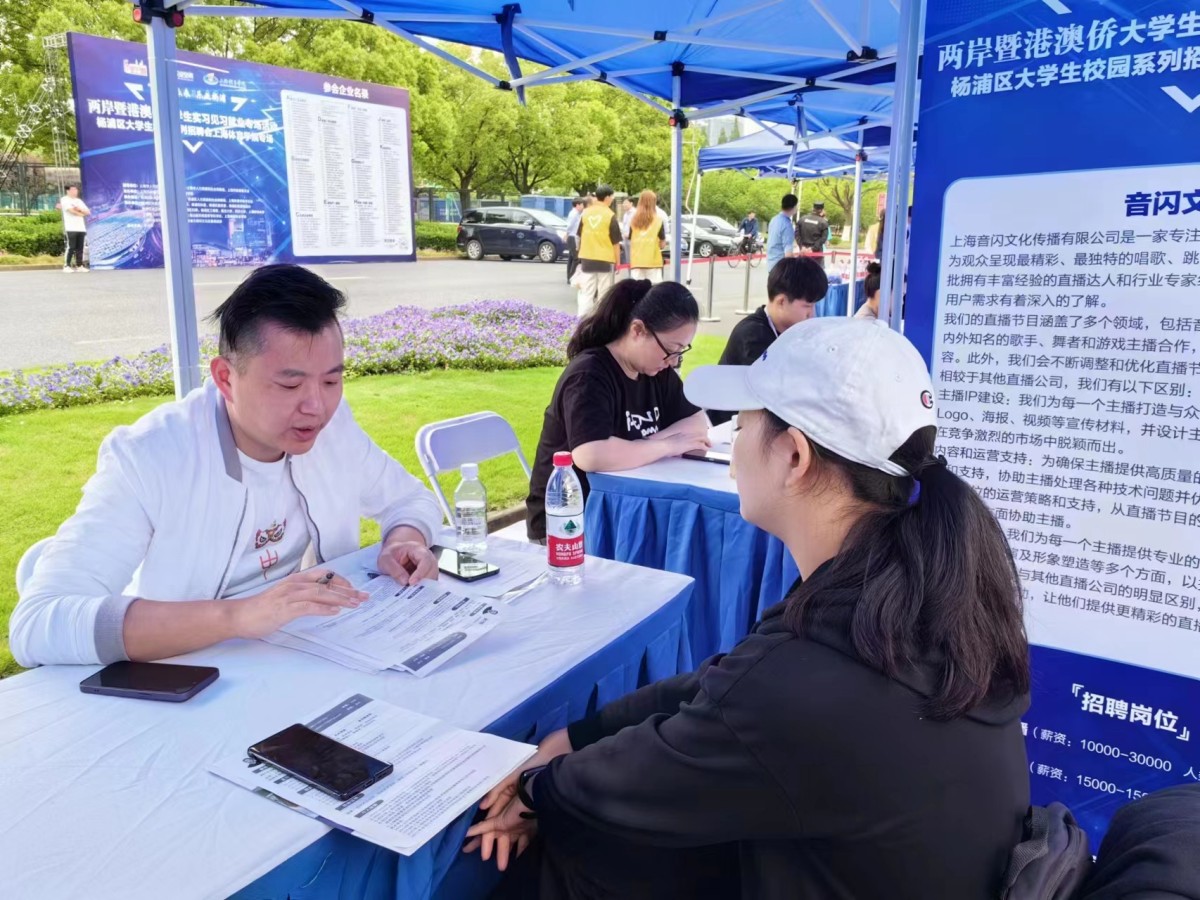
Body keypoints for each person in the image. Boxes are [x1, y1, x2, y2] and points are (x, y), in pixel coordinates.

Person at [470, 317, 1033, 900]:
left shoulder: (817, 676)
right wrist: (579, 733)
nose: (732, 445)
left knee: (575, 854)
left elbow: (650, 775)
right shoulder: (905, 598)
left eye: (741, 424)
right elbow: (722, 685)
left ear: (794, 457)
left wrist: (538, 790)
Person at [10, 265, 443, 667]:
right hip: (184, 677)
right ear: (224, 378)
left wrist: (401, 542)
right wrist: (240, 616)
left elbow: (409, 500)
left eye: (331, 380)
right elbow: (38, 622)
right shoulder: (151, 456)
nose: (317, 406)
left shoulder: (332, 429)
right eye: (290, 383)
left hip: (300, 661)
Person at [524, 280, 710, 542]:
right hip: (569, 523)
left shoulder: (656, 370)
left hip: (625, 508)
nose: (674, 360)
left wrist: (636, 447)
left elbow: (696, 423)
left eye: (681, 351)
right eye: (670, 349)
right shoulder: (590, 374)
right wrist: (667, 446)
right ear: (638, 330)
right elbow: (590, 455)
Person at [707, 256, 828, 426]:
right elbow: (774, 395)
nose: (812, 314)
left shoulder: (791, 331)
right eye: (807, 307)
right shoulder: (753, 335)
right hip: (730, 430)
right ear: (781, 302)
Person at [575, 186, 622, 317]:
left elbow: (579, 235)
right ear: (607, 197)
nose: (612, 199)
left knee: (587, 292)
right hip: (605, 260)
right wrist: (618, 262)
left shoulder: (585, 213)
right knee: (604, 294)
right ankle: (601, 321)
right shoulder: (610, 215)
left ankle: (582, 320)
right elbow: (615, 243)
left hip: (587, 258)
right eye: (612, 196)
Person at [626, 190, 666, 283]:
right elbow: (662, 244)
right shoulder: (658, 220)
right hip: (653, 262)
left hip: (637, 262)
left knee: (637, 291)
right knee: (653, 292)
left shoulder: (633, 220)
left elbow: (630, 238)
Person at [57, 184, 90, 272]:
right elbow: (71, 211)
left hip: (81, 227)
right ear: (68, 191)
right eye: (73, 190)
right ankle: (67, 266)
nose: (75, 191)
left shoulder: (79, 201)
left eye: (76, 190)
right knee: (71, 247)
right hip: (71, 227)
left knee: (80, 247)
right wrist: (81, 213)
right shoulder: (64, 199)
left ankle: (79, 265)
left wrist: (79, 209)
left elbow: (88, 212)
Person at [765, 193, 798, 273]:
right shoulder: (787, 225)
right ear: (793, 207)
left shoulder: (774, 219)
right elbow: (788, 253)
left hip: (771, 264)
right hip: (781, 268)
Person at [564, 197, 586, 284]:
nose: (583, 207)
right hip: (573, 237)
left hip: (572, 236)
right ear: (577, 205)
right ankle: (572, 277)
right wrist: (567, 233)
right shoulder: (574, 214)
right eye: (582, 205)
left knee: (571, 258)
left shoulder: (576, 213)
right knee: (576, 259)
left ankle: (569, 277)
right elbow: (570, 225)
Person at [619, 196, 635, 266]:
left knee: (633, 258)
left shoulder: (635, 213)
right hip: (625, 239)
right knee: (628, 259)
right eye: (623, 203)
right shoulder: (625, 214)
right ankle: (630, 274)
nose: (624, 205)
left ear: (631, 203)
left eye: (626, 203)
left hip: (632, 239)